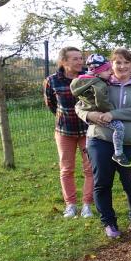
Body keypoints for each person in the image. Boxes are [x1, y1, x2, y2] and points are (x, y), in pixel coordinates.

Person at [76, 49, 131, 238]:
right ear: (111, 65)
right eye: (118, 63)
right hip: (100, 140)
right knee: (102, 182)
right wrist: (89, 115)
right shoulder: (100, 83)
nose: (122, 66)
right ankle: (109, 223)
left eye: (126, 62)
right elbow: (79, 105)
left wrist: (114, 114)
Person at [44, 46, 95, 219]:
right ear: (64, 62)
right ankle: (71, 205)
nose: (80, 61)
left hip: (88, 129)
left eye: (81, 58)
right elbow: (51, 104)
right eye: (75, 59)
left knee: (90, 168)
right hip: (64, 131)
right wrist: (64, 116)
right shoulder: (52, 81)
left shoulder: (89, 77)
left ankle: (87, 204)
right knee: (66, 169)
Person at [72, 54, 129, 166]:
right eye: (107, 70)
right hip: (99, 114)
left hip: (88, 112)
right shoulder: (100, 84)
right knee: (119, 127)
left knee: (90, 129)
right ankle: (118, 153)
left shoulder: (82, 80)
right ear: (97, 72)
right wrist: (111, 112)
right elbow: (101, 102)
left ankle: (87, 148)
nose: (110, 72)